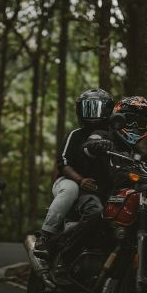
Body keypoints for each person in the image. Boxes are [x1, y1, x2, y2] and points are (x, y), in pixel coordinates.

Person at [48, 95, 147, 267]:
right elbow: (90, 144)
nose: (134, 127)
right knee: (95, 212)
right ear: (119, 120)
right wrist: (96, 145)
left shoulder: (142, 156)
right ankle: (63, 259)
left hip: (119, 199)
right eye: (130, 121)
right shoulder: (104, 135)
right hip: (92, 192)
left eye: (140, 123)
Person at [34, 88, 114, 256]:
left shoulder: (112, 137)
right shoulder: (75, 134)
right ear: (80, 110)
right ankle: (46, 236)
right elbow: (62, 163)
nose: (93, 114)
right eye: (88, 108)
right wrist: (80, 180)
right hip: (69, 181)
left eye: (98, 108)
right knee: (71, 189)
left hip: (98, 188)